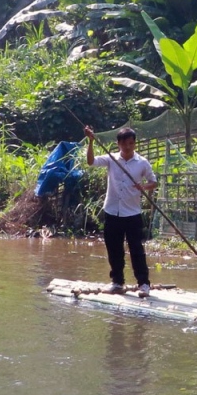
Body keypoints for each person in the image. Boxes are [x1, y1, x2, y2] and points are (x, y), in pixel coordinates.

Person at [83, 125, 157, 298]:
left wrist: (143, 186)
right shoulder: (111, 159)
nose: (128, 147)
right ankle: (117, 282)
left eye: (131, 143)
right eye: (124, 144)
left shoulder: (142, 163)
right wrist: (91, 141)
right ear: (118, 144)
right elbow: (91, 162)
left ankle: (144, 284)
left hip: (132, 213)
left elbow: (153, 182)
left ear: (134, 144)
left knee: (136, 250)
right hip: (112, 212)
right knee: (114, 249)